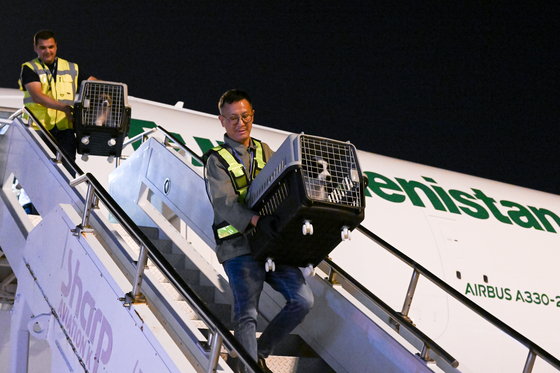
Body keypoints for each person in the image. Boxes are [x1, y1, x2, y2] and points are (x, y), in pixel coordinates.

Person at [204, 90, 314, 373]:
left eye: (245, 116)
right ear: (222, 121)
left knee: (303, 300)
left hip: (271, 245)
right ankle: (248, 366)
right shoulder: (216, 160)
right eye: (233, 119)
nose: (240, 123)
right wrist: (255, 220)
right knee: (247, 314)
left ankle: (258, 353)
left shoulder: (266, 151)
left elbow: (288, 185)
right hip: (239, 248)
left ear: (252, 116)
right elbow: (224, 203)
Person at [18, 30, 95, 174]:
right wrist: (65, 108)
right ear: (35, 48)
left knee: (67, 173)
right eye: (43, 47)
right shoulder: (29, 68)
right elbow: (37, 96)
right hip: (38, 129)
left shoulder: (72, 68)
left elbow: (94, 83)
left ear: (56, 46)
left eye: (51, 47)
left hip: (64, 131)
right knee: (36, 172)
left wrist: (110, 91)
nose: (47, 51)